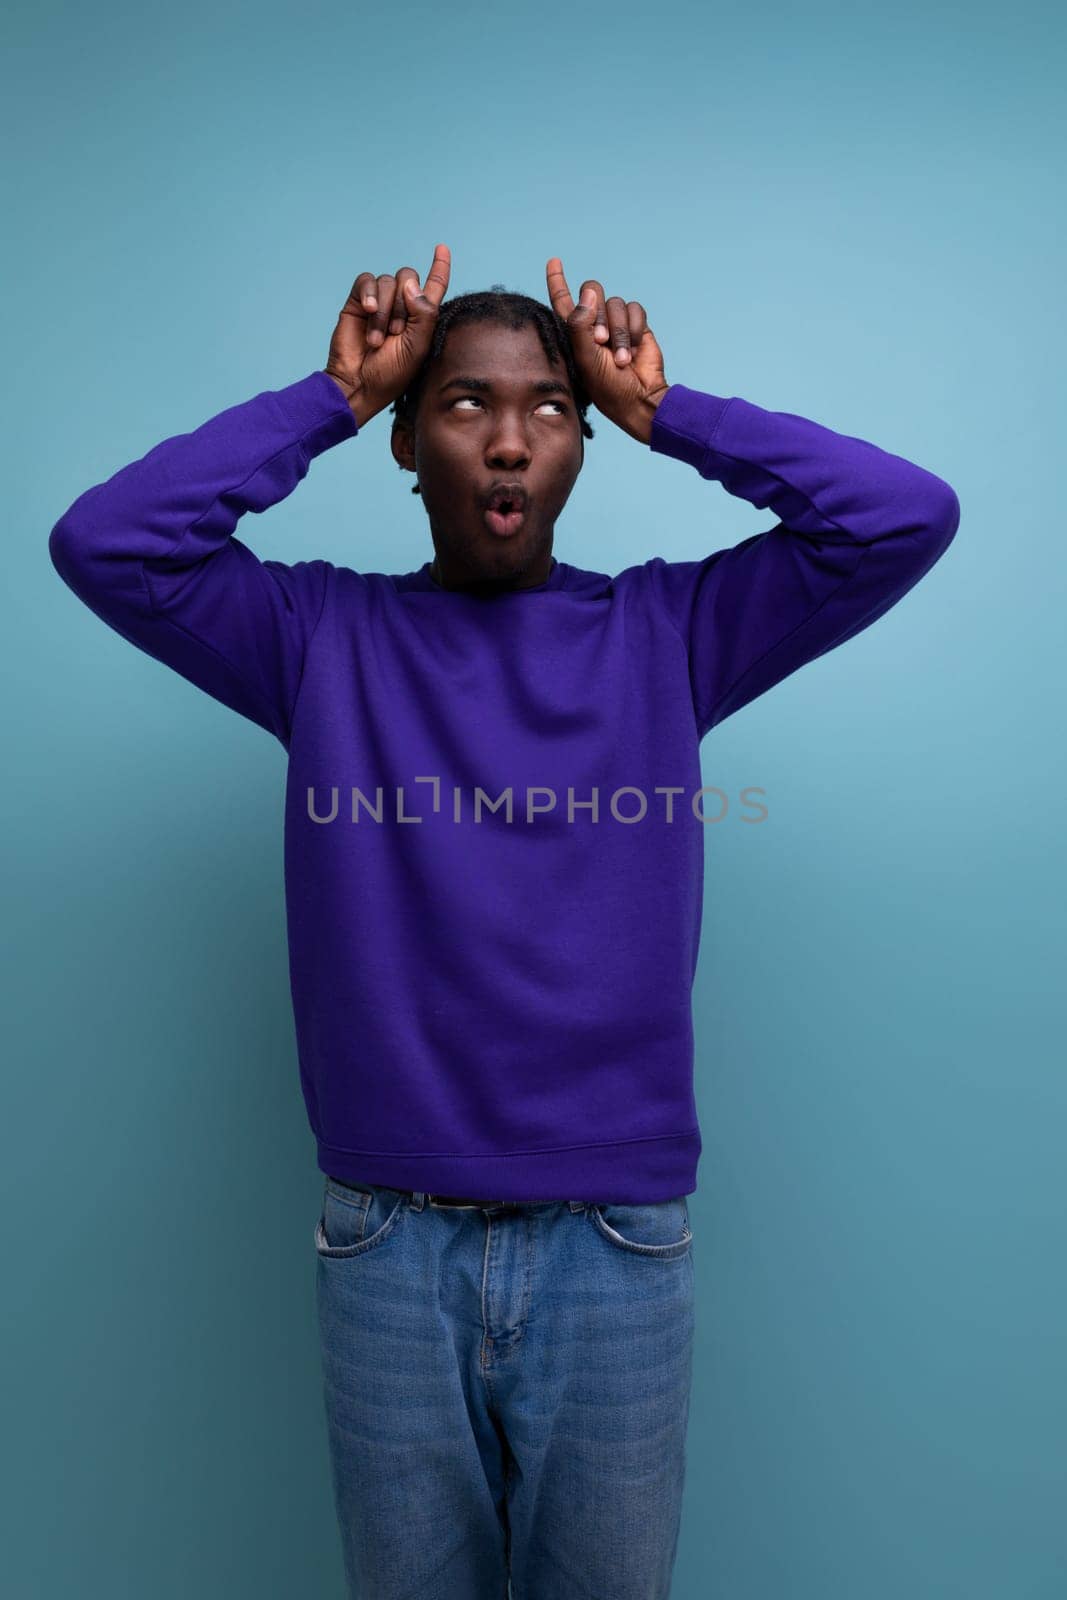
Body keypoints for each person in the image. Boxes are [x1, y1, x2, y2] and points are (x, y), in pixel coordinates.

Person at [48, 242, 960, 1599]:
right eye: (467, 404)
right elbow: (106, 544)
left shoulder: (671, 633)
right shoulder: (318, 640)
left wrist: (671, 411)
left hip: (617, 1243)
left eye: (549, 407)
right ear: (411, 445)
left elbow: (903, 517)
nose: (512, 441)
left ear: (587, 444)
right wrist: (331, 395)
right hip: (388, 1242)